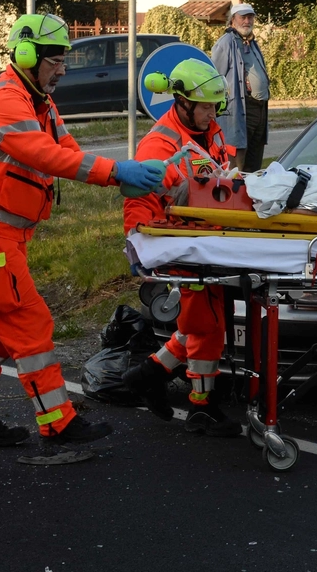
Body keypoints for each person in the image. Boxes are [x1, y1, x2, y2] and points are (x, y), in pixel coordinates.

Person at [0, 13, 164, 445]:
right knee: (29, 323)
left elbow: (65, 148)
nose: (64, 69)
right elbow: (45, 157)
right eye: (55, 60)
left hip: (5, 235)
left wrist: (122, 174)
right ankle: (59, 421)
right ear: (27, 56)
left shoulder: (37, 100)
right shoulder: (6, 101)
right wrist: (114, 172)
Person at [120, 59, 243, 438]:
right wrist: (138, 244)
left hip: (208, 239)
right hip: (180, 244)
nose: (211, 113)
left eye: (215, 106)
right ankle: (201, 406)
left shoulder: (212, 132)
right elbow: (138, 198)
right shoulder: (160, 143)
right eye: (205, 107)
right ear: (183, 103)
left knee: (203, 320)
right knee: (206, 323)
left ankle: (150, 373)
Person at [211, 3, 270, 173]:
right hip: (239, 109)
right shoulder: (226, 43)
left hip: (259, 108)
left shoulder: (251, 42)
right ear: (232, 20)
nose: (247, 21)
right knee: (238, 162)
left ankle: (252, 196)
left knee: (255, 159)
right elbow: (216, 77)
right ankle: (236, 196)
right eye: (242, 17)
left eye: (250, 17)